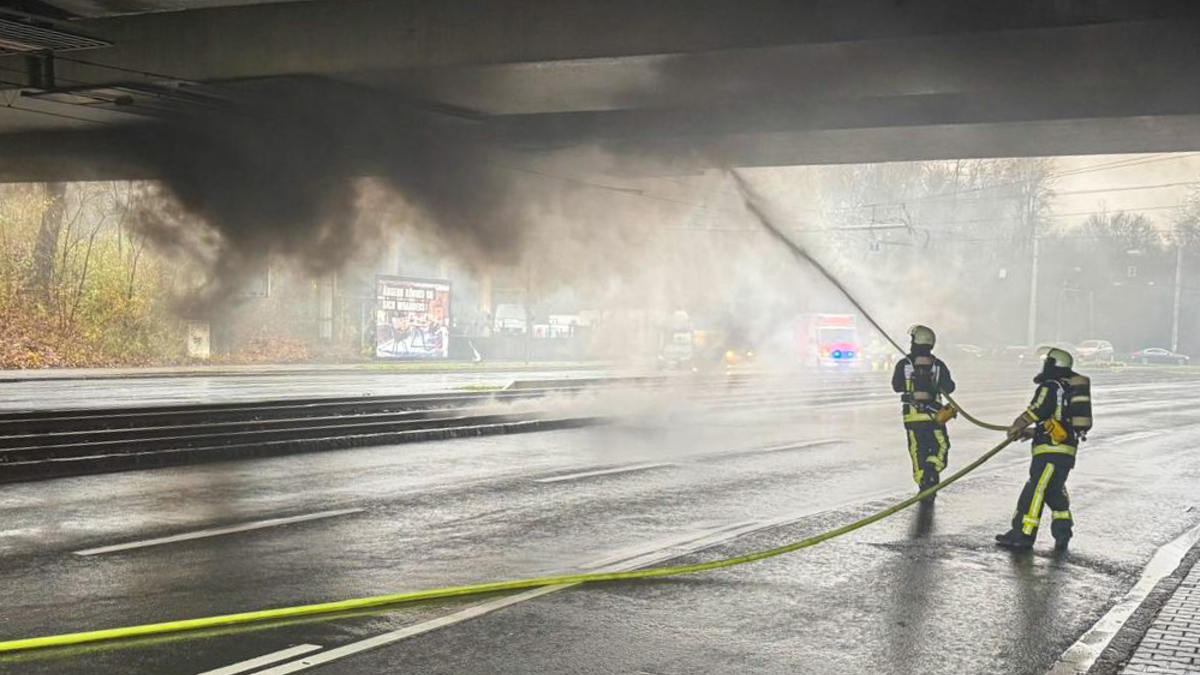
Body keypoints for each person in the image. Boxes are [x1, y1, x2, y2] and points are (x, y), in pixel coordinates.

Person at [995, 347, 1083, 551]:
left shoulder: (1051, 386)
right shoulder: (1069, 388)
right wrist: (1032, 433)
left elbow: (1038, 410)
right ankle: (1063, 532)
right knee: (1054, 491)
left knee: (1035, 490)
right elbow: (1059, 421)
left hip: (1050, 451)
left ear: (1053, 365)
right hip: (1065, 451)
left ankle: (1023, 534)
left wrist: (1019, 424)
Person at [892, 325, 957, 501]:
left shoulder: (904, 364)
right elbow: (949, 387)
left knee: (916, 450)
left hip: (912, 418)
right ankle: (932, 470)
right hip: (934, 417)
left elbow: (896, 386)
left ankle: (923, 482)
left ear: (915, 341)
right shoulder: (938, 364)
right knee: (941, 446)